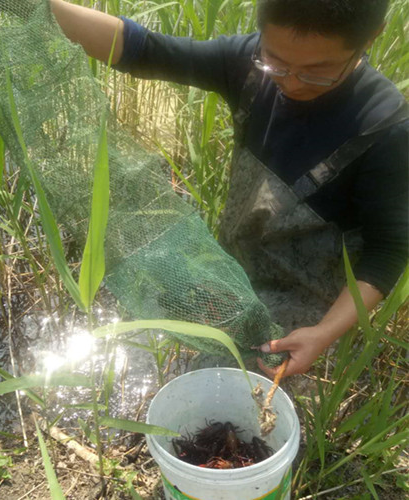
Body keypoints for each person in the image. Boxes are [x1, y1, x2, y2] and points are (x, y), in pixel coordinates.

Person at [51, 0, 408, 377]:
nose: (290, 82)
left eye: (318, 72)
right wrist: (40, 7)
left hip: (314, 302)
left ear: (371, 37)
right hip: (236, 271)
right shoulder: (247, 66)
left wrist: (322, 334)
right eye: (276, 62)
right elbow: (144, 48)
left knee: (250, 393)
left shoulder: (385, 130)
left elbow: (389, 251)